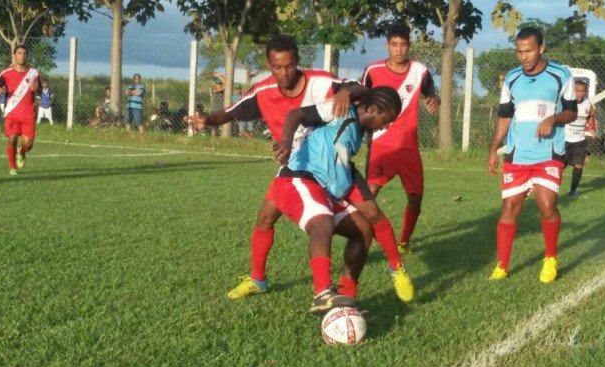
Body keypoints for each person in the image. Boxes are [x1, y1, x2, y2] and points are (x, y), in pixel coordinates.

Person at [186, 35, 393, 302]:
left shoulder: (322, 82)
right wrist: (206, 120)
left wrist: (344, 92)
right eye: (276, 67)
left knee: (359, 223)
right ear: (269, 64)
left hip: (326, 166)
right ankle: (258, 279)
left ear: (297, 62)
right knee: (265, 218)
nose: (283, 73)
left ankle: (347, 288)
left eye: (289, 66)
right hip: (294, 167)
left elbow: (361, 89)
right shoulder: (263, 91)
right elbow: (232, 112)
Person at [273, 87, 402, 313]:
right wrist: (286, 140)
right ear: (371, 109)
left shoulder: (358, 130)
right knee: (323, 223)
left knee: (363, 229)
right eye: (386, 119)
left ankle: (345, 297)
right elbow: (296, 114)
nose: (386, 126)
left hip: (326, 190)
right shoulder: (340, 110)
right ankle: (322, 293)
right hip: (300, 178)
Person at [486, 27, 577, 283]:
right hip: (517, 155)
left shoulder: (561, 75)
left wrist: (554, 118)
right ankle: (502, 266)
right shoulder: (513, 78)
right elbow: (505, 116)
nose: (523, 56)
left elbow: (572, 111)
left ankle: (550, 259)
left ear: (541, 49)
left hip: (549, 153)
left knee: (546, 204)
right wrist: (494, 149)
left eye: (528, 51)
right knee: (509, 206)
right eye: (519, 51)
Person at [360, 23, 440, 271]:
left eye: (403, 45)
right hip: (382, 143)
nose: (398, 50)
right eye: (393, 45)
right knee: (368, 194)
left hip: (408, 147)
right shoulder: (372, 71)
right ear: (387, 45)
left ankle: (404, 241)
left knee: (415, 198)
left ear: (409, 45)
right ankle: (361, 240)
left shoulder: (420, 71)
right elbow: (360, 101)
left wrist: (433, 99)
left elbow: (431, 93)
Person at [0, 44, 40, 176]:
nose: (22, 55)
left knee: (29, 144)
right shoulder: (5, 73)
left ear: (27, 55)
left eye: (24, 53)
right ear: (14, 55)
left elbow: (39, 90)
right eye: (19, 53)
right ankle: (12, 167)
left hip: (28, 113)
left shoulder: (34, 73)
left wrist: (36, 90)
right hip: (12, 112)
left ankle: (22, 152)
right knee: (12, 139)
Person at [563, 80, 594, 196]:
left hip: (579, 141)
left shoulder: (588, 104)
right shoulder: (566, 103)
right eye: (577, 91)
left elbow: (591, 115)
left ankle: (573, 190)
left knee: (579, 165)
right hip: (565, 140)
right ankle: (552, 190)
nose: (580, 94)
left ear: (585, 92)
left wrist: (592, 127)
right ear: (572, 91)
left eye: (582, 91)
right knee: (560, 166)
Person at [209, 71, 225, 137]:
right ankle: (213, 138)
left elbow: (226, 82)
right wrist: (219, 76)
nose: (219, 85)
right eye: (218, 84)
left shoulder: (224, 92)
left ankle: (222, 137)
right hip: (215, 110)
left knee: (223, 126)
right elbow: (226, 83)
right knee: (213, 127)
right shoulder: (215, 90)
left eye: (220, 84)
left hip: (221, 110)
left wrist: (220, 75)